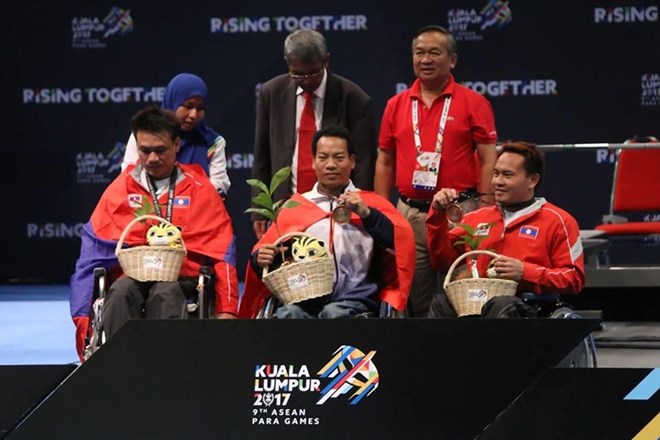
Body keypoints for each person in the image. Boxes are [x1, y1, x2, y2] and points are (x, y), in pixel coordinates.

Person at [70, 106, 238, 362]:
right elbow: (90, 255)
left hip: (181, 278)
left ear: (176, 145)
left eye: (160, 150)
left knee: (165, 293)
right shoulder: (120, 190)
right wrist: (83, 321)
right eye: (144, 150)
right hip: (132, 275)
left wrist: (227, 309)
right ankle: (114, 369)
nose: (151, 159)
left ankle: (165, 372)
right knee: (120, 292)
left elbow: (223, 253)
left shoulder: (201, 189)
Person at [375, 25, 498, 317]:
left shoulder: (474, 102)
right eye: (419, 53)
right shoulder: (396, 104)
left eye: (435, 52)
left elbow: (488, 159)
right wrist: (382, 211)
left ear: (452, 60)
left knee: (459, 290)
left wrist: (485, 206)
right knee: (415, 293)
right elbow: (385, 161)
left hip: (460, 213)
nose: (426, 59)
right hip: (410, 214)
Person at [239, 125, 415, 319]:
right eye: (323, 158)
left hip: (356, 299)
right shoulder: (295, 207)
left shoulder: (370, 205)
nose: (330, 164)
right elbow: (268, 259)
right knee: (288, 315)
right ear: (313, 162)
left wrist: (366, 214)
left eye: (339, 158)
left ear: (352, 162)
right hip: (302, 298)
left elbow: (399, 242)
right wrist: (260, 259)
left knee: (334, 313)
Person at [426, 141, 585, 318]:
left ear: (532, 180)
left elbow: (574, 279)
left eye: (507, 175)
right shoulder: (476, 219)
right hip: (475, 305)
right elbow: (441, 262)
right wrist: (438, 215)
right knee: (441, 303)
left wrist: (525, 272)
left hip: (529, 310)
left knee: (502, 304)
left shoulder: (558, 221)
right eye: (496, 174)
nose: (497, 182)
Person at [252, 28, 377, 239]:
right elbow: (262, 155)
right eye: (297, 74)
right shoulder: (271, 93)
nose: (306, 80)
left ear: (326, 60)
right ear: (287, 62)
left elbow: (364, 163)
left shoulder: (354, 98)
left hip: (336, 207)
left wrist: (358, 208)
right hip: (286, 205)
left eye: (312, 73)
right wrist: (259, 209)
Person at [121, 73, 230, 198]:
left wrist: (185, 201)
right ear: (173, 101)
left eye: (200, 108)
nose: (194, 114)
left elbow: (219, 185)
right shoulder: (144, 136)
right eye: (188, 106)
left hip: (197, 212)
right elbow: (128, 177)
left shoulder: (213, 143)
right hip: (148, 210)